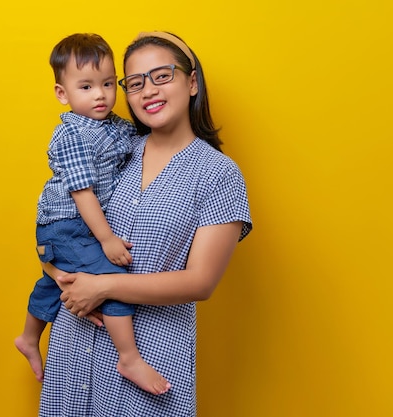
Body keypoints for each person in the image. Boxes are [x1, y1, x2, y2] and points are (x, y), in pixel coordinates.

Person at [37, 31, 253, 416]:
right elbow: (61, 219)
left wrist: (101, 286)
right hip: (73, 351)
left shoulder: (219, 174)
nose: (148, 91)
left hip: (151, 358)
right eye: (135, 83)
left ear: (191, 82)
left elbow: (200, 283)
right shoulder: (114, 150)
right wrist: (54, 271)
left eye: (162, 76)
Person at [14, 33, 171, 396]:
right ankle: (129, 357)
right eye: (86, 86)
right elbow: (81, 192)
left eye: (105, 84)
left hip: (72, 227)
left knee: (57, 282)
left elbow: (141, 141)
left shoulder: (113, 126)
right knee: (111, 278)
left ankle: (28, 336)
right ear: (62, 94)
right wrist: (107, 239)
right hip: (67, 223)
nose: (99, 95)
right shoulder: (72, 135)